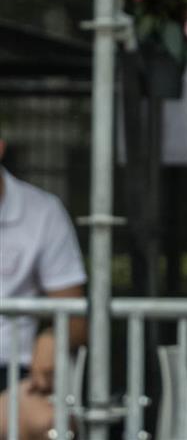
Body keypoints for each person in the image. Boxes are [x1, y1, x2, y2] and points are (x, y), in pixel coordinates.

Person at [0, 136, 88, 440]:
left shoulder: (43, 210)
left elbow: (76, 317)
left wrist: (53, 337)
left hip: (14, 373)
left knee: (50, 423)